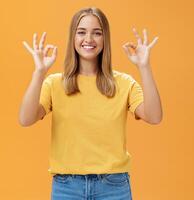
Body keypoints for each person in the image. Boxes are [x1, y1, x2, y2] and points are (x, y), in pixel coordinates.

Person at [18, 7, 162, 200]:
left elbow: (154, 117)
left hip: (114, 187)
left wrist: (144, 67)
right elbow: (25, 119)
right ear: (73, 38)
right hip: (67, 188)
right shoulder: (53, 83)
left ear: (105, 39)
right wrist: (39, 73)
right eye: (81, 32)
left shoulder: (124, 83)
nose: (89, 39)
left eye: (97, 33)